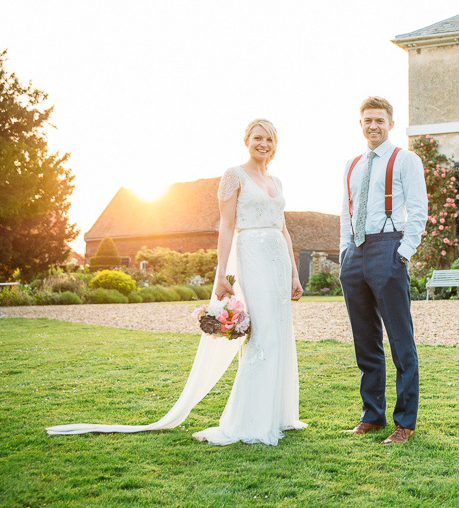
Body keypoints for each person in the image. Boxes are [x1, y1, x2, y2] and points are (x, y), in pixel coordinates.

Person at [47, 118, 307, 446]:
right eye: (257, 137)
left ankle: (278, 416)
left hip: (278, 262)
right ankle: (251, 422)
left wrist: (295, 273)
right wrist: (221, 276)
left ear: (275, 144)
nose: (263, 144)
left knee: (280, 334)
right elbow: (226, 227)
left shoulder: (276, 181)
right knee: (262, 338)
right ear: (247, 140)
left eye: (269, 139)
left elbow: (282, 228)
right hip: (252, 256)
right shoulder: (234, 176)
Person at [340, 96, 427, 444]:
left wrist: (403, 253)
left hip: (388, 247)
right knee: (365, 341)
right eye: (367, 120)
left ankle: (404, 423)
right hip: (355, 254)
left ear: (390, 123)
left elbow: (418, 210)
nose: (372, 125)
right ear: (360, 124)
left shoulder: (405, 160)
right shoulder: (351, 164)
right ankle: (372, 416)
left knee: (400, 342)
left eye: (379, 120)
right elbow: (345, 211)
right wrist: (345, 251)